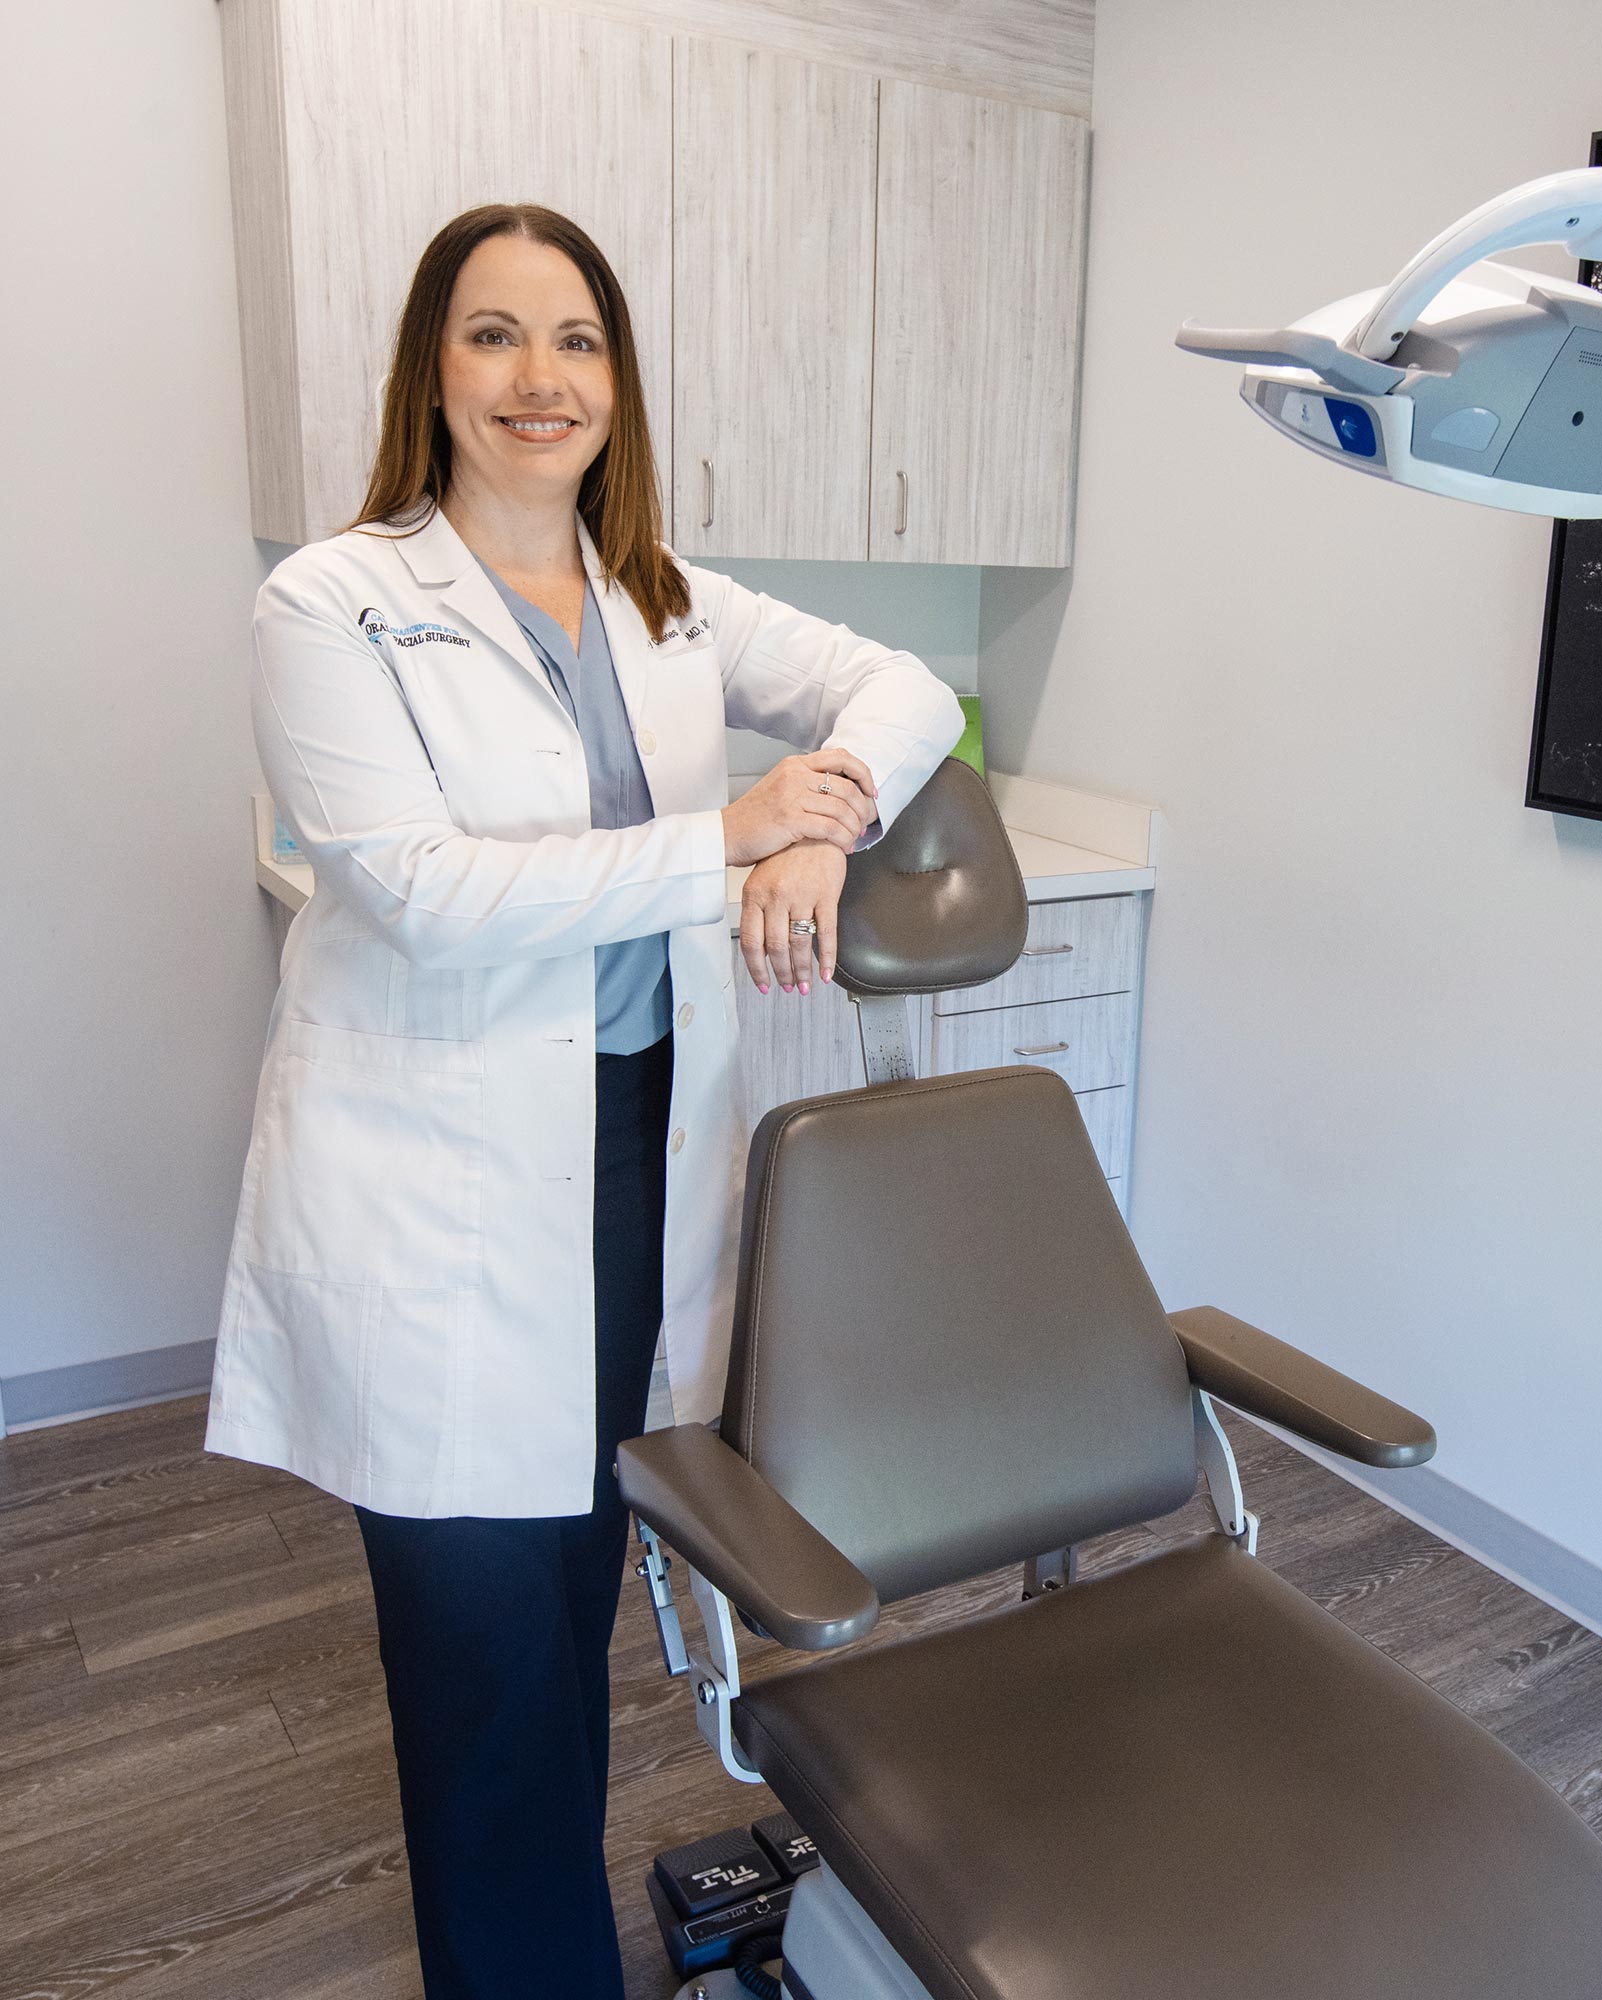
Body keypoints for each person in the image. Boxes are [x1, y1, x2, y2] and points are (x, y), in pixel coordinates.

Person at [204, 202, 964, 1998]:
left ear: (619, 380)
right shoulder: (337, 601)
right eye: (493, 335)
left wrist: (828, 814)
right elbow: (422, 894)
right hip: (445, 1181)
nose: (538, 379)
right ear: (432, 368)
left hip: (641, 1156)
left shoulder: (665, 597)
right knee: (480, 1658)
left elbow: (906, 684)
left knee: (579, 1602)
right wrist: (729, 843)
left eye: (578, 340)